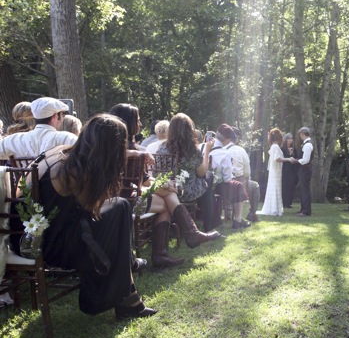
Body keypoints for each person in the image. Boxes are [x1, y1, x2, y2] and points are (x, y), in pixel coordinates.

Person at [9, 114, 156, 319]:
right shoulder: (76, 172)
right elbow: (93, 210)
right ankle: (123, 287)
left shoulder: (59, 154)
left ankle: (129, 289)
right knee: (120, 209)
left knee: (119, 208)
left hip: (23, 238)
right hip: (47, 247)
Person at [110, 104, 218, 268]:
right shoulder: (129, 151)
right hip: (124, 203)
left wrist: (164, 183)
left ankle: (173, 246)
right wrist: (165, 185)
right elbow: (144, 182)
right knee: (170, 197)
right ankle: (172, 247)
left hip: (126, 198)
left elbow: (147, 180)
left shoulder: (134, 148)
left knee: (168, 196)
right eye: (138, 121)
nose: (140, 125)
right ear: (128, 122)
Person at [155, 113, 222, 237]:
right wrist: (207, 151)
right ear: (189, 130)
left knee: (207, 183)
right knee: (208, 179)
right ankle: (210, 226)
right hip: (186, 192)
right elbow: (201, 172)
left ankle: (208, 224)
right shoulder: (192, 149)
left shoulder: (162, 147)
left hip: (166, 190)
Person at [0, 97, 77, 160]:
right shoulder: (67, 139)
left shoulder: (13, 140)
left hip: (24, 179)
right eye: (62, 114)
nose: (63, 118)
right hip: (55, 179)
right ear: (55, 116)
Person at [209, 124, 251, 229]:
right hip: (216, 186)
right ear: (228, 139)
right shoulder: (225, 153)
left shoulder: (203, 146)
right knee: (238, 186)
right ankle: (237, 220)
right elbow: (227, 178)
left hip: (202, 182)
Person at [228, 127, 261, 223]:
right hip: (238, 182)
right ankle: (252, 213)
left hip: (222, 184)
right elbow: (247, 171)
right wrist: (245, 180)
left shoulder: (219, 149)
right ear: (236, 138)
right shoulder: (240, 150)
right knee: (255, 186)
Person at [257, 128, 291, 216]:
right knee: (275, 187)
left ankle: (275, 208)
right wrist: (288, 159)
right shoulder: (275, 147)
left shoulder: (274, 146)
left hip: (276, 171)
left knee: (275, 188)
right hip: (275, 171)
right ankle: (274, 209)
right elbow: (277, 159)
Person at [290, 127, 313, 216]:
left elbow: (306, 160)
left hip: (305, 169)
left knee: (305, 190)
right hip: (304, 169)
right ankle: (303, 209)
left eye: (300, 134)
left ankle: (306, 211)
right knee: (303, 190)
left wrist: (296, 160)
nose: (300, 136)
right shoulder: (306, 144)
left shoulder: (307, 145)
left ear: (303, 134)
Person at [281, 132, 298, 208]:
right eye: (288, 139)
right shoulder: (282, 149)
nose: (290, 140)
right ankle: (284, 202)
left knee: (291, 186)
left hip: (292, 170)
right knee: (285, 186)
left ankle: (289, 203)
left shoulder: (294, 149)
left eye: (291, 139)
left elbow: (297, 158)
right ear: (285, 140)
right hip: (285, 169)